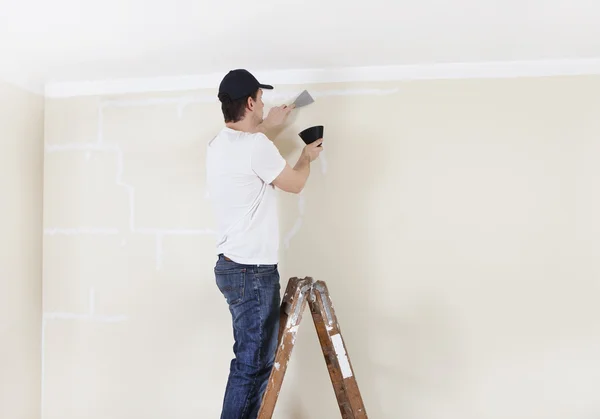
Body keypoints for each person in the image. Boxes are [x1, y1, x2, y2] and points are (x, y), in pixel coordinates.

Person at [206, 69, 323, 419]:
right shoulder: (256, 146)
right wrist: (306, 156)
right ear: (252, 102)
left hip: (231, 266)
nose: (265, 104)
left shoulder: (219, 144)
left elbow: (247, 145)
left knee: (251, 361)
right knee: (252, 365)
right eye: (261, 97)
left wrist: (269, 125)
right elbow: (294, 184)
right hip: (251, 271)